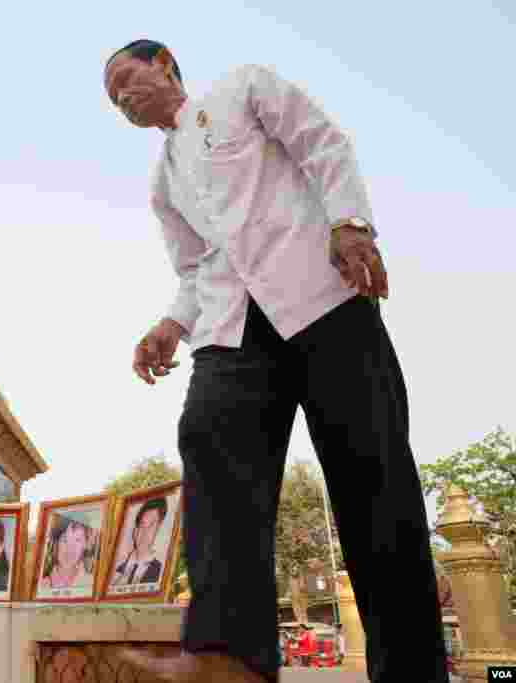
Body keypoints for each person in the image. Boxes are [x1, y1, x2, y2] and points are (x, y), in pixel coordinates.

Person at [103, 39, 448, 683]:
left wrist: (351, 222)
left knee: (373, 479)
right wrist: (172, 325)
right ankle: (229, 656)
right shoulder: (163, 181)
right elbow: (196, 265)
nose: (122, 97)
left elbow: (324, 144)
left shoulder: (243, 87)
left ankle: (412, 671)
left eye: (126, 78)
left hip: (323, 298)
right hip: (233, 331)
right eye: (112, 96)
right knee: (208, 439)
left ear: (166, 64)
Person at [111, 496, 168, 587]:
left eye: (151, 526)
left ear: (159, 529)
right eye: (142, 525)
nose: (145, 533)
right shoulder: (115, 569)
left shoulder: (162, 572)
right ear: (135, 530)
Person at [38, 512, 95, 593]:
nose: (70, 548)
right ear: (55, 544)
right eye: (64, 540)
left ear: (85, 545)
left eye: (77, 540)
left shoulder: (92, 585)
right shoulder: (41, 587)